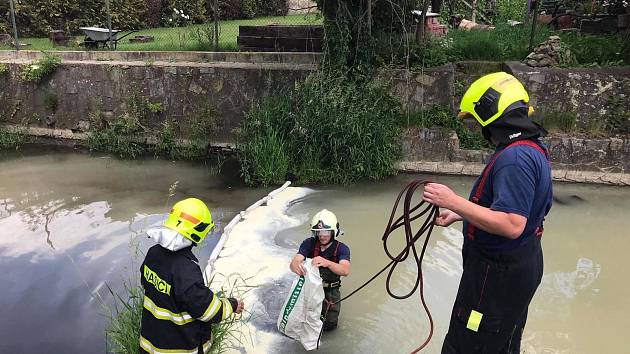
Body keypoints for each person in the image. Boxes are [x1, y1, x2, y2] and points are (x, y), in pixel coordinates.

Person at [422, 72, 553, 354]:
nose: (481, 131)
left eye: (477, 121)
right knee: (503, 340)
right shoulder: (530, 148)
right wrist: (463, 215)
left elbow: (512, 223)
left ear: (492, 116)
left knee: (469, 342)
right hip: (520, 265)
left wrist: (453, 202)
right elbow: (516, 208)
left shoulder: (514, 159)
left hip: (494, 277)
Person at [139, 198, 245, 354]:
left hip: (149, 343)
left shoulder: (153, 253)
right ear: (198, 231)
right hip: (178, 348)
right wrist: (232, 305)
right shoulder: (186, 269)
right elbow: (206, 310)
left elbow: (146, 283)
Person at [289, 209, 351, 331]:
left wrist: (327, 262)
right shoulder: (309, 243)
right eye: (319, 232)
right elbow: (295, 261)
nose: (322, 235)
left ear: (334, 232)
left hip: (331, 291)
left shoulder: (342, 249)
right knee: (305, 320)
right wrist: (295, 265)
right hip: (309, 289)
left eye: (326, 231)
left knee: (330, 325)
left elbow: (345, 270)